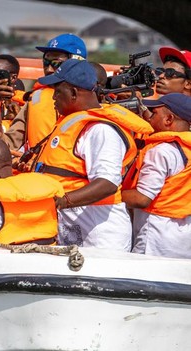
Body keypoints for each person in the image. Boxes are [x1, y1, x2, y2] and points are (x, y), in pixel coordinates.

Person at [31, 59, 153, 251]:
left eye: (57, 91)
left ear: (73, 93)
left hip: (100, 237)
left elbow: (107, 183)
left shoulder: (100, 130)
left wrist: (60, 201)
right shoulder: (74, 123)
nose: (53, 97)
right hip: (77, 228)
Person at [122, 93, 191, 258]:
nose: (149, 118)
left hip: (156, 235)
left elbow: (142, 198)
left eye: (153, 113)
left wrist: (109, 193)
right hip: (183, 234)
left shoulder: (161, 151)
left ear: (168, 119)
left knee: (144, 282)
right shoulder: (186, 148)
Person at [0, 34, 87, 155]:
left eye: (56, 63)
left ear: (77, 63)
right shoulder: (36, 98)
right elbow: (9, 143)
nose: (49, 69)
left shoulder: (91, 97)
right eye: (46, 62)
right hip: (37, 170)